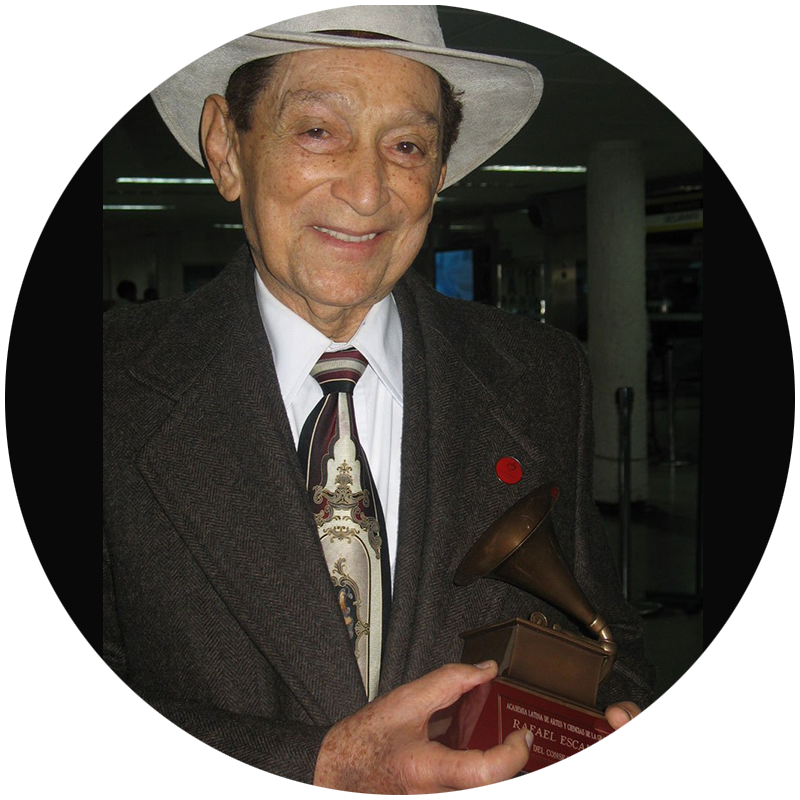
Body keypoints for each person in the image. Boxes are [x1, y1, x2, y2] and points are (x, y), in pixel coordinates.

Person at [103, 6, 654, 792]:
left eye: (406, 146)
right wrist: (318, 767)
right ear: (226, 147)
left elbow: (607, 636)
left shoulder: (539, 374)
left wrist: (615, 720)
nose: (367, 193)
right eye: (318, 131)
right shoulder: (109, 387)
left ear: (439, 172)